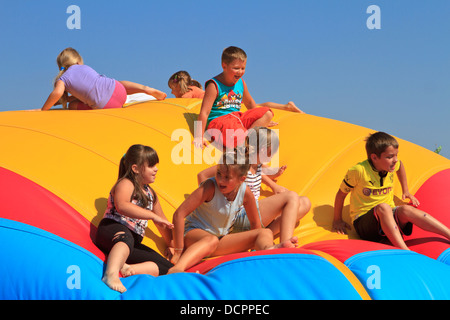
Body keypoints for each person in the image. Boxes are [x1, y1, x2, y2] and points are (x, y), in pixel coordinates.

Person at [168, 149, 298, 273]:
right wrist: (178, 250)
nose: (220, 179)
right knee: (211, 240)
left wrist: (256, 245)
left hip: (221, 239)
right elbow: (179, 214)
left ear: (241, 179)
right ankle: (178, 268)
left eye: (226, 177)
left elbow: (255, 225)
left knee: (265, 232)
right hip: (194, 234)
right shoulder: (209, 187)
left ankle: (270, 250)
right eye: (219, 173)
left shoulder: (245, 192)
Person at [333, 131, 450, 250]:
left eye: (396, 155)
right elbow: (341, 194)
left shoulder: (392, 165)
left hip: (389, 218)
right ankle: (406, 251)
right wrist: (337, 220)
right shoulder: (359, 171)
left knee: (406, 209)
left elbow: (400, 166)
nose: (395, 160)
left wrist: (406, 190)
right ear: (374, 157)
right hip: (365, 224)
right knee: (383, 207)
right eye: (389, 157)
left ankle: (448, 234)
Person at [197, 127, 311, 243]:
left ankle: (263, 235)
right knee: (291, 196)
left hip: (253, 218)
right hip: (239, 216)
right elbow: (202, 175)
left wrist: (273, 185)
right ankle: (286, 243)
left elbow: (258, 174)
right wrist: (212, 205)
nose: (272, 156)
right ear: (262, 149)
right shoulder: (238, 161)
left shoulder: (257, 164)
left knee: (305, 202)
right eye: (271, 152)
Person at [95, 144, 174, 293]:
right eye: (151, 165)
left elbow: (162, 222)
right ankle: (110, 274)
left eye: (155, 165)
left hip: (132, 243)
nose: (156, 169)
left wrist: (173, 245)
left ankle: (129, 269)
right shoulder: (126, 183)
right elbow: (122, 206)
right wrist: (152, 215)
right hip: (112, 230)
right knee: (126, 239)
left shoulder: (151, 193)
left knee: (167, 267)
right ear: (135, 168)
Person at [194, 46, 304, 150]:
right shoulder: (214, 85)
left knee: (268, 113)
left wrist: (260, 120)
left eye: (243, 68)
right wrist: (199, 136)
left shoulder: (240, 83)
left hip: (237, 118)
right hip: (219, 121)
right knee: (238, 132)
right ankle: (245, 146)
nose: (240, 72)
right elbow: (204, 112)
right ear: (224, 66)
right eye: (236, 68)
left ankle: (246, 142)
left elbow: (250, 103)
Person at [42, 47, 167, 111]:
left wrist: (44, 109)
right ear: (78, 61)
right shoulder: (84, 67)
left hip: (108, 106)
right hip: (119, 91)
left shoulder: (63, 79)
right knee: (118, 83)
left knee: (72, 105)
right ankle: (145, 89)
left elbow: (58, 93)